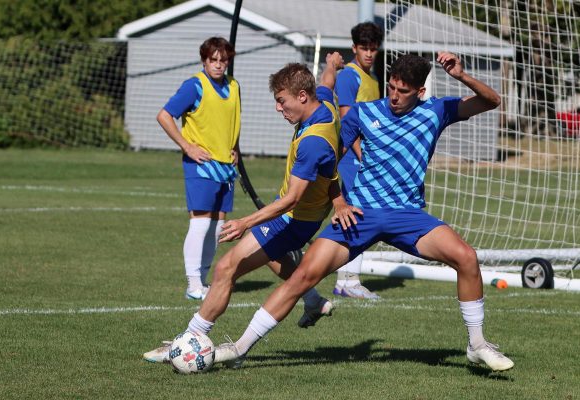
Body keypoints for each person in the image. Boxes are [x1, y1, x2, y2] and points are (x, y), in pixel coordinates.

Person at [215, 52, 515, 372]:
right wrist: (339, 202)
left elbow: (492, 101)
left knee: (466, 257)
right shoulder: (362, 112)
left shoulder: (436, 110)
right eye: (391, 88)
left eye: (403, 91)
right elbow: (329, 160)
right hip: (360, 214)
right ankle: (239, 347)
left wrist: (461, 75)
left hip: (408, 216)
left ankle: (477, 345)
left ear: (420, 92)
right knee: (304, 275)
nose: (394, 96)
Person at [143, 52, 345, 363]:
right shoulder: (326, 105)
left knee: (227, 268)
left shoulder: (313, 142)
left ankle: (189, 339)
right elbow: (328, 83)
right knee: (274, 258)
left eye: (282, 101)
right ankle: (314, 300)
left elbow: (290, 199)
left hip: (293, 217)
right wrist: (331, 64)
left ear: (303, 96)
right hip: (304, 215)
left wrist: (245, 223)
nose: (278, 108)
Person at [156, 37, 241, 301]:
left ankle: (203, 282)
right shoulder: (194, 85)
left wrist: (235, 147)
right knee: (201, 221)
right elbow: (164, 115)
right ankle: (193, 283)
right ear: (204, 60)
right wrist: (187, 146)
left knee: (217, 225)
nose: (218, 65)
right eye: (213, 60)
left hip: (225, 167)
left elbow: (232, 121)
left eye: (223, 60)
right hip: (201, 165)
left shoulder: (234, 86)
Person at [333, 21, 383, 299]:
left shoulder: (373, 79)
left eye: (373, 49)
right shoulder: (349, 77)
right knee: (356, 212)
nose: (369, 53)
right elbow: (348, 121)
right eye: (364, 48)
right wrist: (364, 155)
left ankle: (348, 278)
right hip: (352, 157)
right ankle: (347, 280)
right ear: (354, 48)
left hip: (365, 157)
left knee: (360, 212)